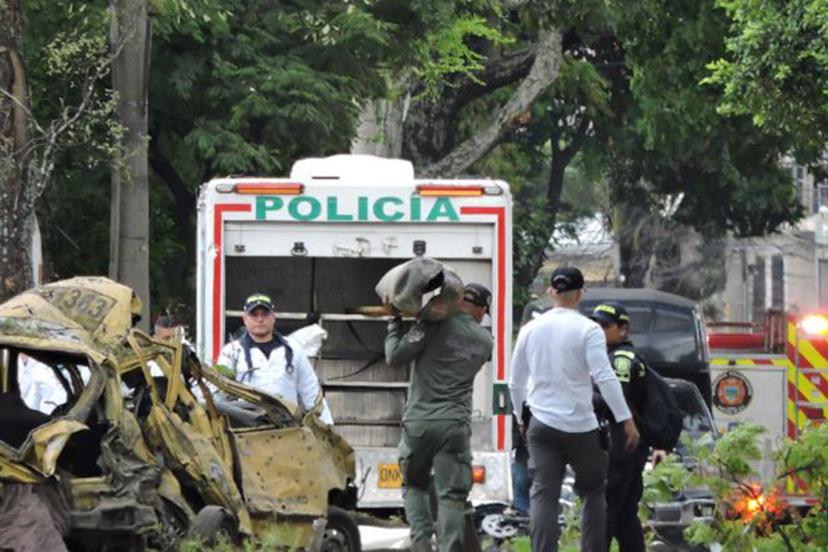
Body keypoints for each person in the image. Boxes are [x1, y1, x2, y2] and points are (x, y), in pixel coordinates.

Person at [508, 267, 640, 552]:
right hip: (581, 427)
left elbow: (515, 383)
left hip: (541, 424)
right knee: (593, 491)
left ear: (551, 292)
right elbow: (604, 376)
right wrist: (626, 419)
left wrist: (521, 418)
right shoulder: (588, 330)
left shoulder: (530, 329)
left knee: (543, 494)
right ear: (580, 293)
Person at [385, 283, 494, 552]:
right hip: (455, 426)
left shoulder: (432, 324)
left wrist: (395, 322)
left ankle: (421, 544)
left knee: (414, 485)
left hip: (419, 424)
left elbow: (395, 356)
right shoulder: (485, 341)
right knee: (451, 497)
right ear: (481, 310)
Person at [217, 293, 333, 425]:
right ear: (245, 318)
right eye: (254, 314)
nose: (260, 319)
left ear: (273, 317)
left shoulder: (294, 349)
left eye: (265, 314)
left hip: (288, 428)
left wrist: (327, 427)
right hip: (246, 429)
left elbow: (311, 393)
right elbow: (219, 395)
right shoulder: (231, 352)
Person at [591, 302, 649, 552]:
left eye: (605, 326)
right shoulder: (611, 356)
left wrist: (583, 396)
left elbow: (617, 400)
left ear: (623, 330)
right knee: (625, 514)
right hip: (627, 444)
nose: (599, 330)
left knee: (606, 508)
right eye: (595, 325)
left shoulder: (621, 360)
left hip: (622, 442)